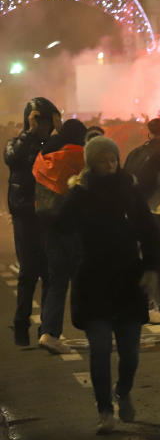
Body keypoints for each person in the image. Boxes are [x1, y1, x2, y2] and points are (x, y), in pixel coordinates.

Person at [58, 135, 160, 434]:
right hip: (93, 281)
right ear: (92, 163)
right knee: (100, 349)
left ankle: (122, 390)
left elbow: (149, 231)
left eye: (113, 159)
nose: (110, 165)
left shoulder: (129, 190)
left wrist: (152, 268)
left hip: (128, 280)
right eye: (103, 161)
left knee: (130, 353)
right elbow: (61, 227)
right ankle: (104, 409)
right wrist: (69, 196)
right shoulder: (82, 192)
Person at [5, 97, 60, 346]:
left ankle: (46, 330)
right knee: (28, 272)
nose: (47, 126)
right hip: (26, 215)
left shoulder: (52, 144)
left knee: (50, 273)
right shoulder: (17, 143)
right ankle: (21, 324)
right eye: (44, 120)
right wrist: (30, 131)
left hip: (48, 215)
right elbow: (12, 157)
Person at [32, 118, 87, 354]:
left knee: (56, 282)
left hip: (48, 226)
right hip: (73, 228)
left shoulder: (43, 157)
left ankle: (49, 332)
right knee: (82, 280)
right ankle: (94, 329)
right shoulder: (78, 155)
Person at [123, 118, 160, 323]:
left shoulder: (134, 154)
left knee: (139, 258)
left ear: (147, 133)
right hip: (158, 213)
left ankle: (143, 303)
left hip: (135, 213)